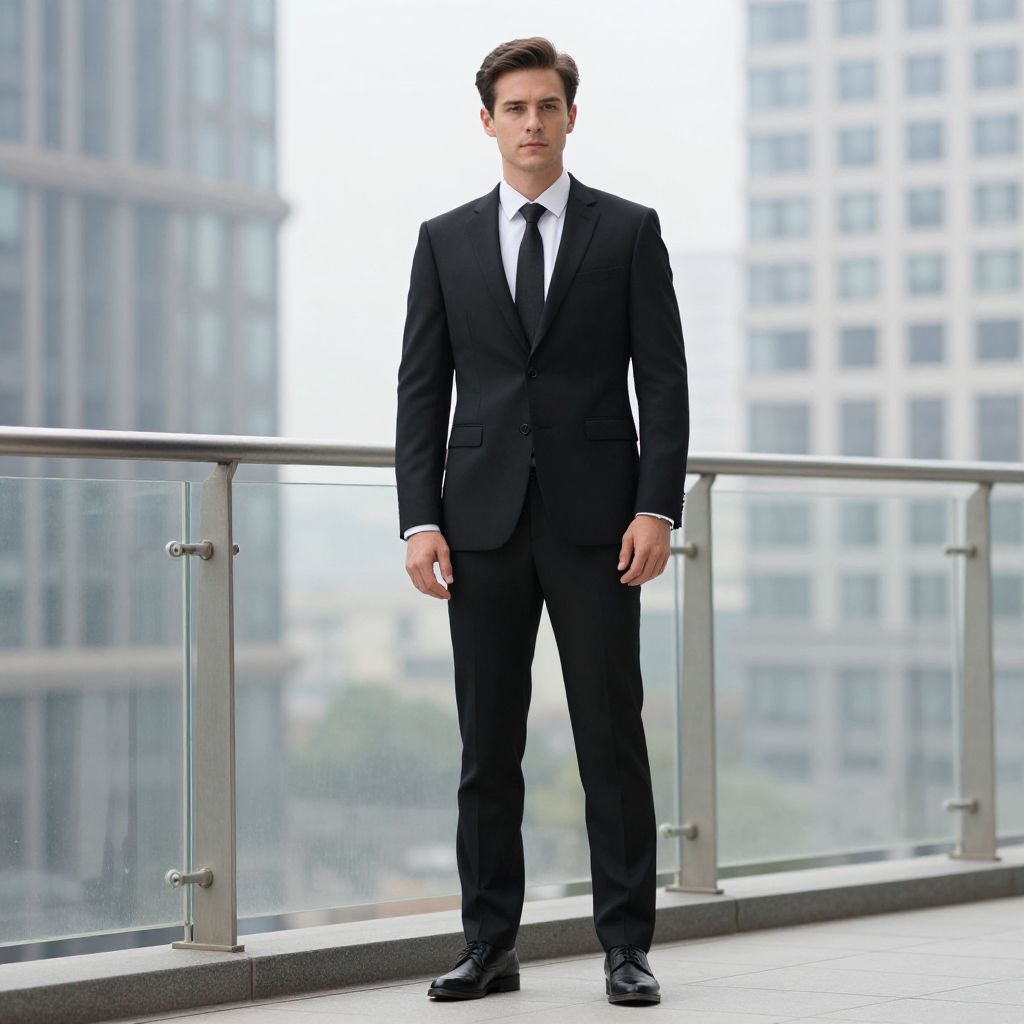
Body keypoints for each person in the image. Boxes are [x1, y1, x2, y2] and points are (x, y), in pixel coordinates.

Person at [395, 35, 689, 1007]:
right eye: (515, 108)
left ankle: (626, 948)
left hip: (600, 525)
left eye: (547, 106)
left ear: (570, 116)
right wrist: (419, 520)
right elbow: (421, 390)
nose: (532, 123)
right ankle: (488, 946)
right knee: (487, 749)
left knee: (610, 739)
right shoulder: (443, 239)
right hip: (477, 526)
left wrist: (655, 506)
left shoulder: (628, 230)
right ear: (488, 121)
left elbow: (664, 382)